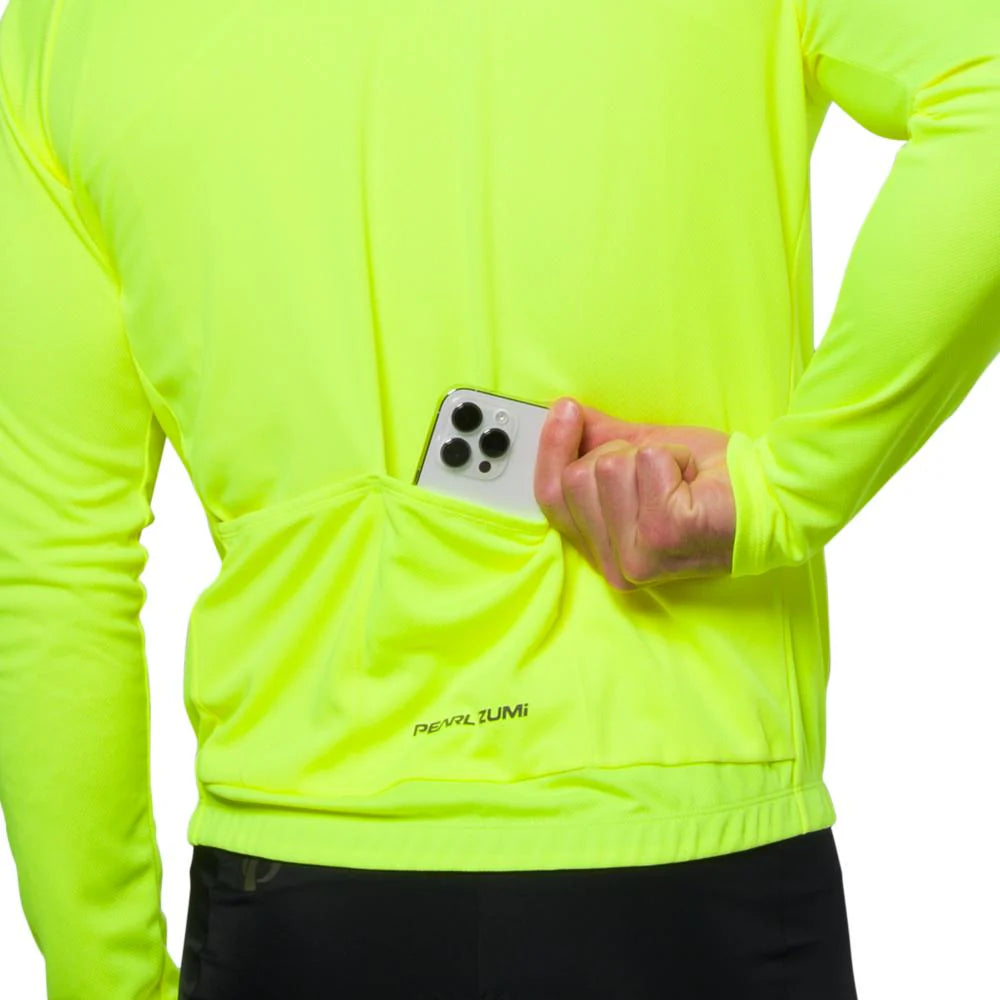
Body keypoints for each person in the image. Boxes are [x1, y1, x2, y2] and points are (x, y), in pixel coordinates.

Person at [0, 0, 997, 997]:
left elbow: (53, 569)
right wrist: (783, 490)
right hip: (691, 861)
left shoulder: (61, 31)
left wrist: (108, 982)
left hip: (295, 890)